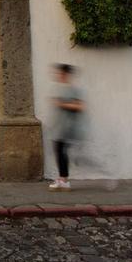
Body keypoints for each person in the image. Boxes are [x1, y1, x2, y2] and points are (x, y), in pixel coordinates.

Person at [48, 63, 83, 191]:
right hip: (59, 128)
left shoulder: (74, 89)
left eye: (61, 74)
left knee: (62, 153)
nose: (59, 76)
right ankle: (63, 179)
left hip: (68, 128)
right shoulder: (59, 89)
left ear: (67, 74)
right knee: (60, 152)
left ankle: (63, 180)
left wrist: (61, 103)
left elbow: (79, 107)